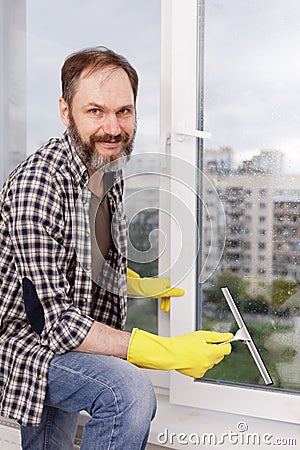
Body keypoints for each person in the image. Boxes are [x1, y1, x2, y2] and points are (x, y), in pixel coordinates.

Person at [0, 46, 233, 449]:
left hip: (60, 332)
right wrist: (164, 351)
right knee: (127, 393)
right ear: (64, 110)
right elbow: (55, 323)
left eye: (124, 111)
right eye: (95, 111)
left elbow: (71, 261)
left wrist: (134, 283)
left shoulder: (106, 172)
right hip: (23, 342)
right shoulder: (38, 184)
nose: (113, 127)